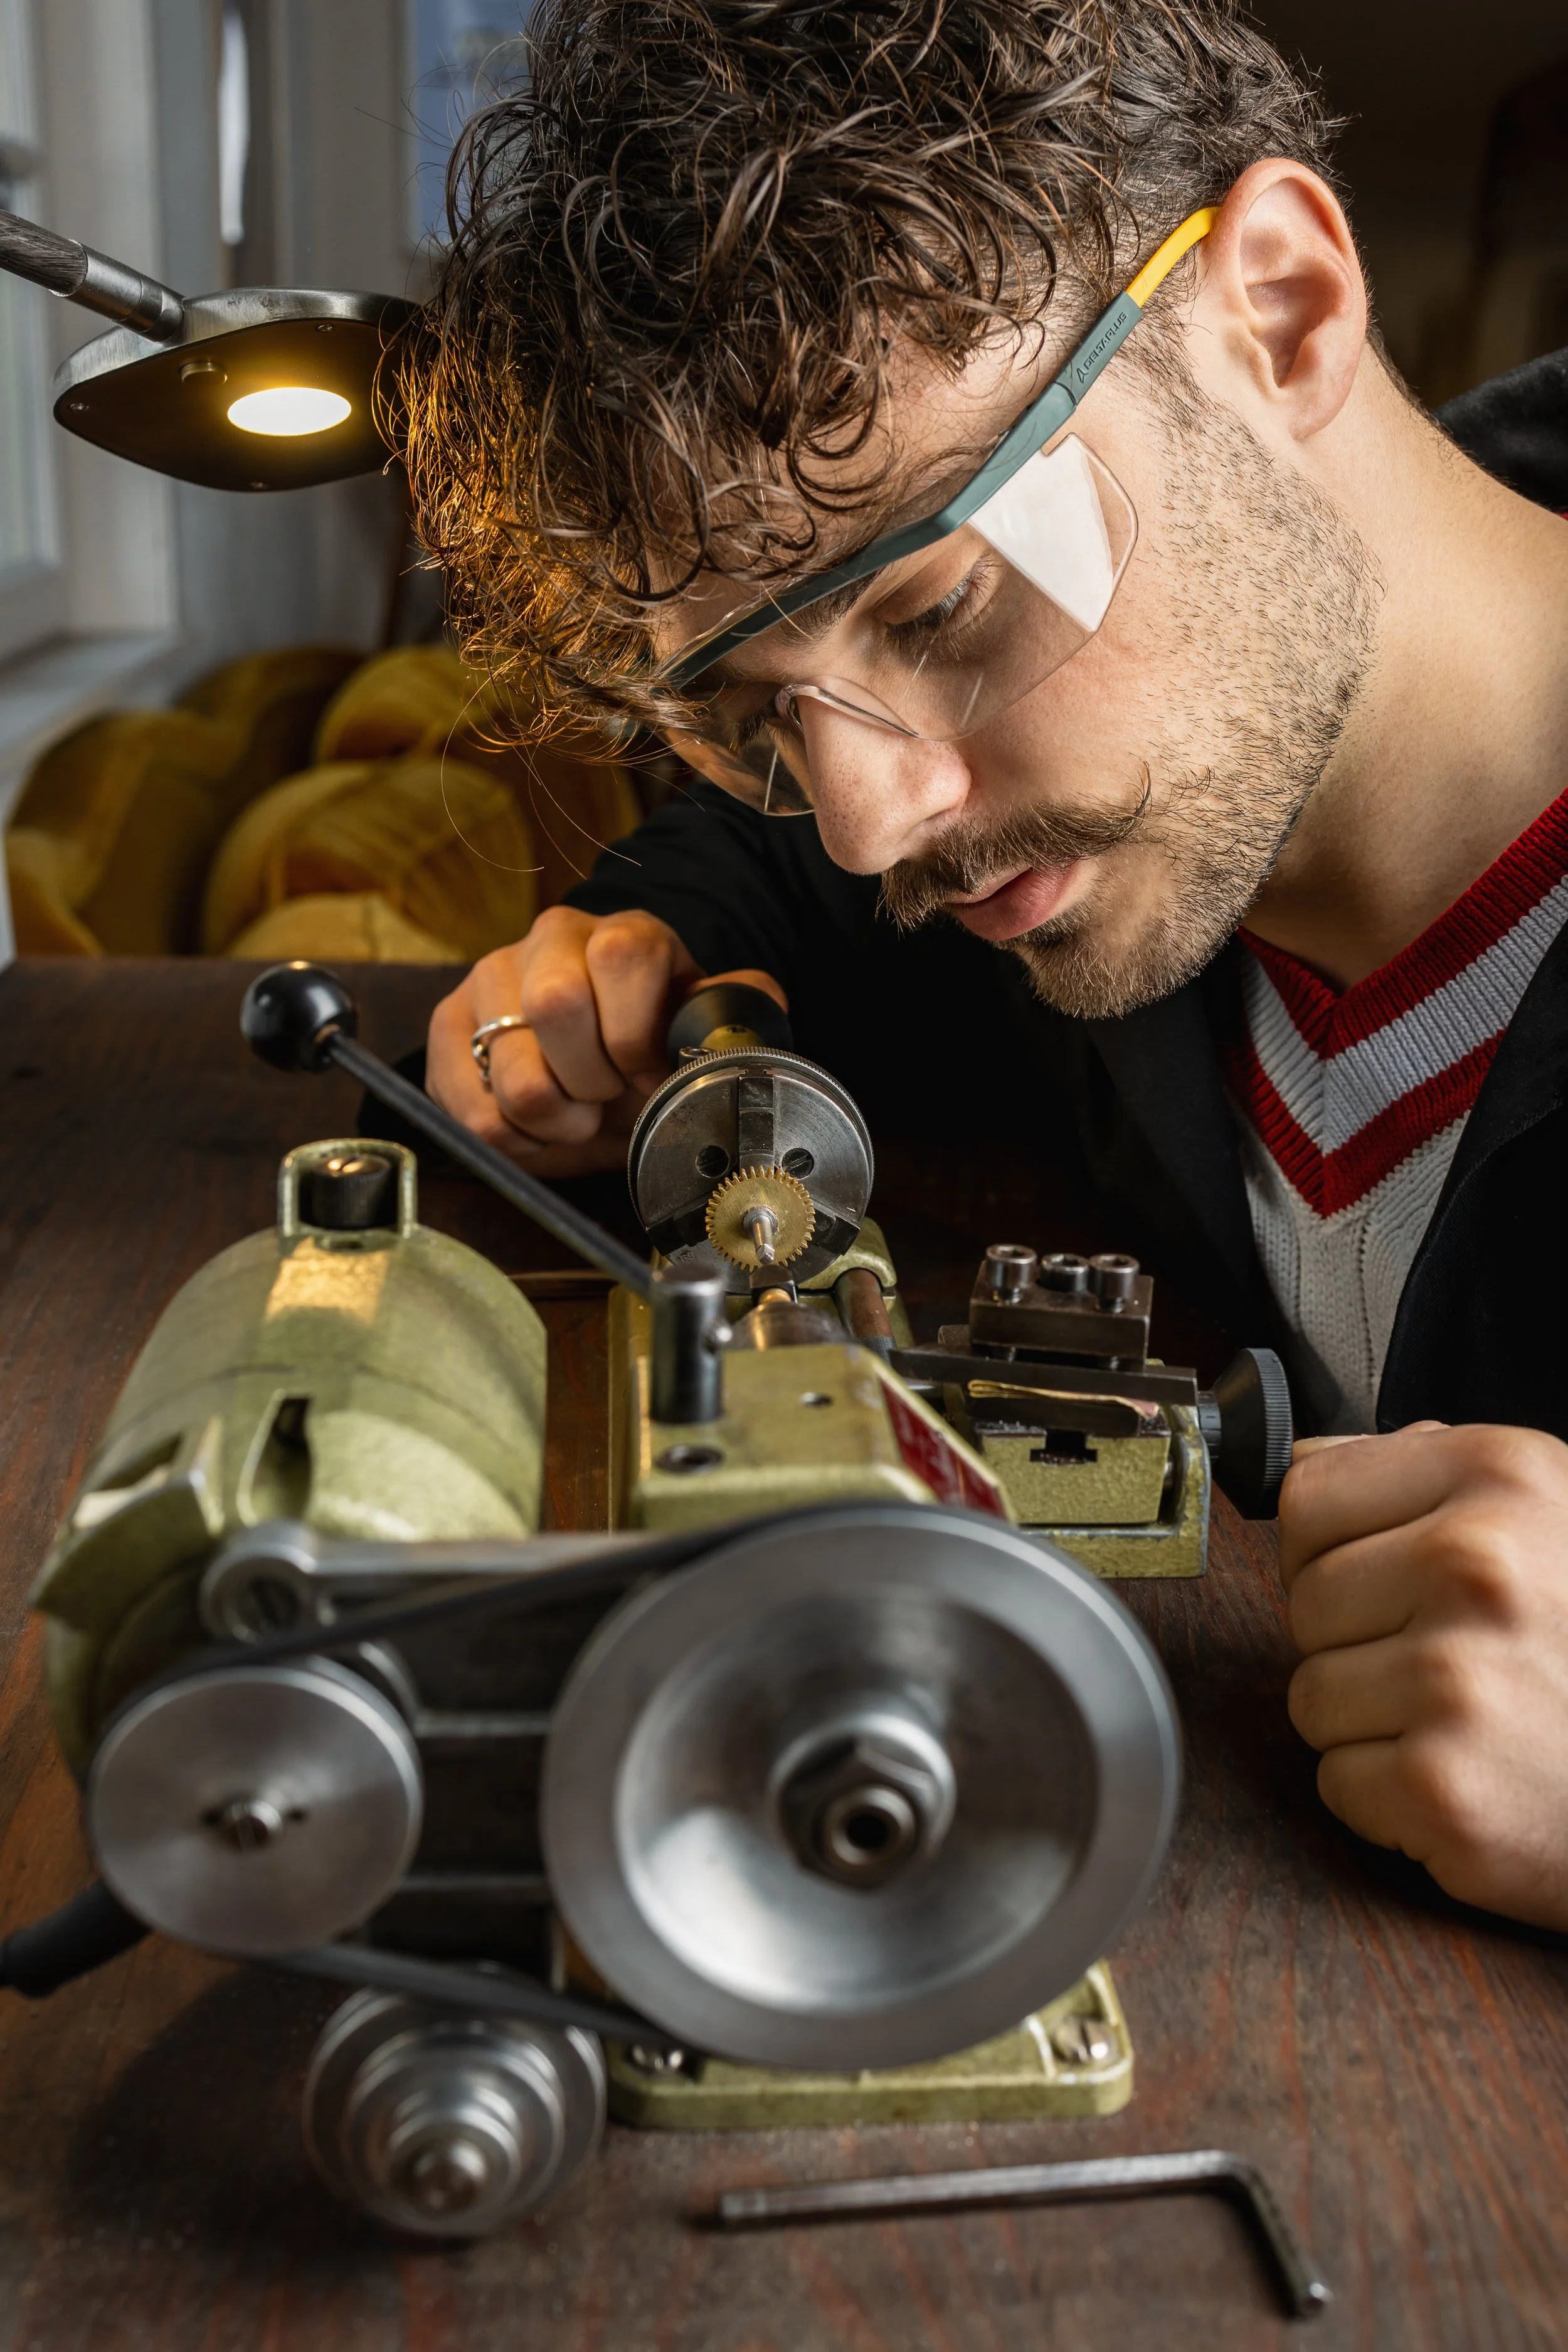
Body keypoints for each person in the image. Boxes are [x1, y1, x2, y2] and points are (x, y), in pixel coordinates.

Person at [396, 1, 1568, 1932]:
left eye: (938, 600)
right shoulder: (1121, 831)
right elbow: (784, 875)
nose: (871, 822)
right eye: (761, 717)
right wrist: (654, 943)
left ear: (1274, 310)